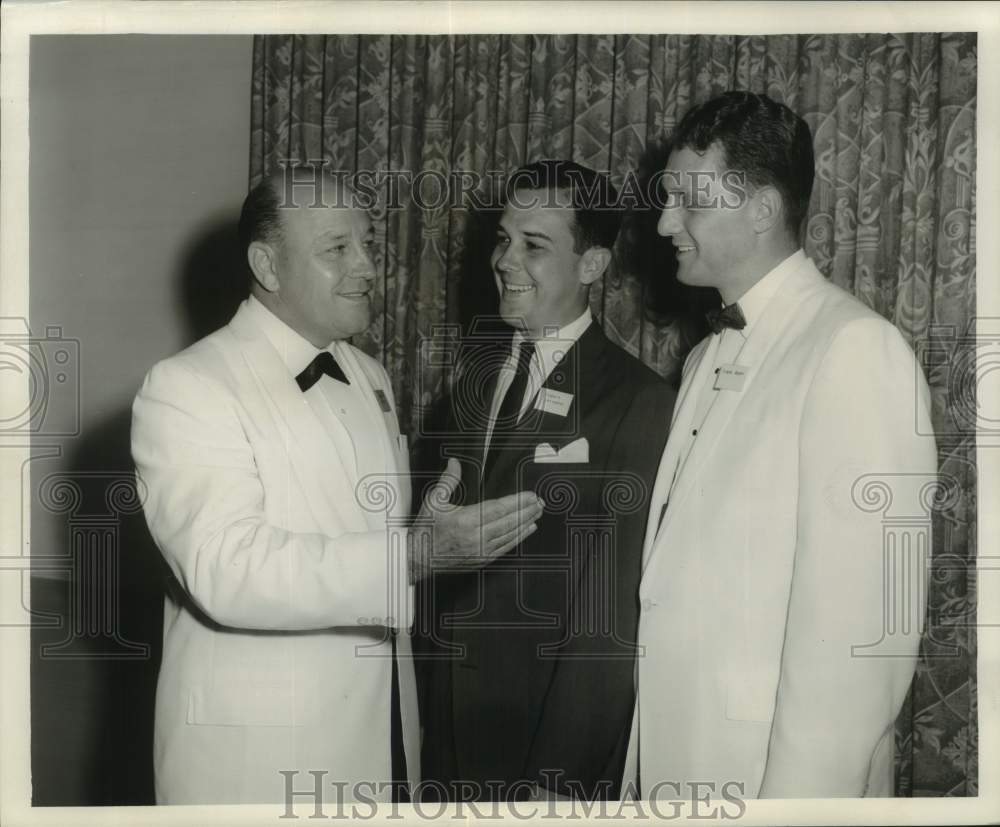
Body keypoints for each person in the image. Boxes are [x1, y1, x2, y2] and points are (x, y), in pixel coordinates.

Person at [131, 165, 543, 804]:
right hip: (259, 763)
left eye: (368, 243)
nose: (369, 267)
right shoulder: (189, 387)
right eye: (337, 249)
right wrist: (413, 554)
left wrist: (422, 535)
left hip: (378, 744)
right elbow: (226, 569)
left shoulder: (369, 374)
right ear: (267, 266)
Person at [627, 91, 938, 799]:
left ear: (763, 210)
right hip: (677, 766)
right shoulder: (705, 358)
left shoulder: (855, 350)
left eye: (689, 202)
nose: (665, 221)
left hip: (768, 784)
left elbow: (861, 653)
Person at [418, 161, 677, 801]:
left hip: (541, 740)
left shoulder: (639, 401)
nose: (505, 261)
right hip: (442, 724)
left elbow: (610, 611)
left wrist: (563, 775)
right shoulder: (473, 381)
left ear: (592, 265)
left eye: (534, 246)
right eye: (504, 239)